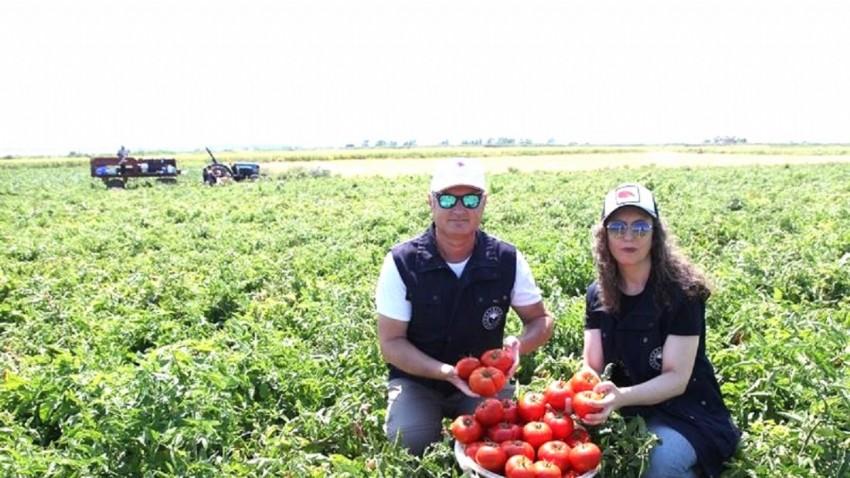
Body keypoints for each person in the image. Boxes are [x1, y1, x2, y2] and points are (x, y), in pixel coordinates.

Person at [375, 158, 555, 456]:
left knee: (503, 443)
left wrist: (517, 346)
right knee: (410, 443)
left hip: (485, 381)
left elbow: (541, 320)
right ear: (431, 202)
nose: (459, 209)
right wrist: (445, 372)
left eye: (470, 199)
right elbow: (391, 343)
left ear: (483, 204)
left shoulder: (506, 259)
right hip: (418, 380)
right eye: (447, 199)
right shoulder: (401, 262)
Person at [580, 183, 741, 477]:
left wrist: (620, 397)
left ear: (655, 234)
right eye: (617, 227)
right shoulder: (597, 293)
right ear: (604, 236)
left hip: (687, 410)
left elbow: (676, 380)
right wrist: (584, 396)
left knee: (659, 462)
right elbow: (592, 366)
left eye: (640, 227)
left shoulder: (683, 292)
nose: (628, 236)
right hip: (625, 407)